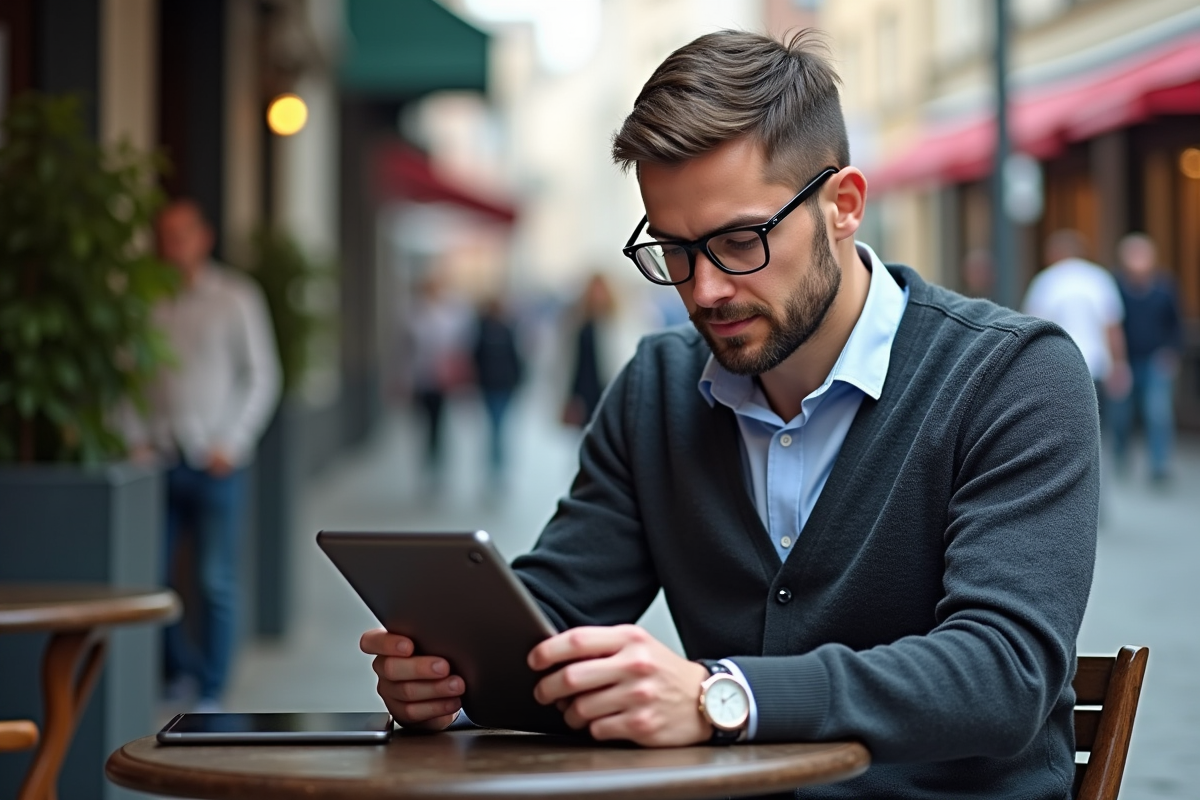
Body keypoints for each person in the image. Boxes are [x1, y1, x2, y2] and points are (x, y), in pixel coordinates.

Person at [361, 30, 1098, 799]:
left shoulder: (1013, 376)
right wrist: (455, 672)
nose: (704, 289)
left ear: (843, 206)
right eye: (674, 250)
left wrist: (724, 696)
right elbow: (552, 619)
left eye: (739, 241)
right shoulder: (656, 388)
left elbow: (1004, 671)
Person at [124, 199, 281, 711]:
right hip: (160, 460)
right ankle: (180, 670)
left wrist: (232, 442)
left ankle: (212, 688)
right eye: (164, 235)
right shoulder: (146, 301)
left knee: (216, 578)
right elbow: (128, 377)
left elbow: (261, 375)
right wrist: (134, 437)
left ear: (204, 237)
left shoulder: (236, 297)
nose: (173, 245)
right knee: (155, 578)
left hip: (216, 463)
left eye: (182, 234)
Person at [1022, 229, 1130, 421]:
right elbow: (1112, 326)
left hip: (1058, 364)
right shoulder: (1098, 277)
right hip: (1095, 364)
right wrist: (1119, 363)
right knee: (1095, 422)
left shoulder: (1046, 280)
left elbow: (1033, 325)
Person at [1110, 233, 1183, 483]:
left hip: (1155, 359)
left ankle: (1159, 464)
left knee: (1157, 412)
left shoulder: (1164, 288)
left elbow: (1175, 324)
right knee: (1122, 413)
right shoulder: (1116, 287)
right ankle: (1121, 455)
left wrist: (1171, 352)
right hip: (1125, 360)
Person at [407, 275, 474, 483]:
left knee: (439, 424)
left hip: (443, 380)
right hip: (422, 379)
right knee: (424, 424)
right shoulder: (414, 313)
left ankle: (437, 464)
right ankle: (428, 461)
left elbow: (460, 344)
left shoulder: (451, 313)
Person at [470, 296, 525, 484]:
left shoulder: (507, 330)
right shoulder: (482, 330)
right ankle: (495, 466)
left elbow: (516, 358)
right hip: (489, 385)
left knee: (498, 426)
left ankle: (497, 467)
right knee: (495, 426)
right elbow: (476, 358)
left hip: (504, 385)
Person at [561, 273, 616, 428]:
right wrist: (569, 396)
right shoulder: (577, 323)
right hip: (583, 392)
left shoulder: (614, 323)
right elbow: (570, 363)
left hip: (607, 390)